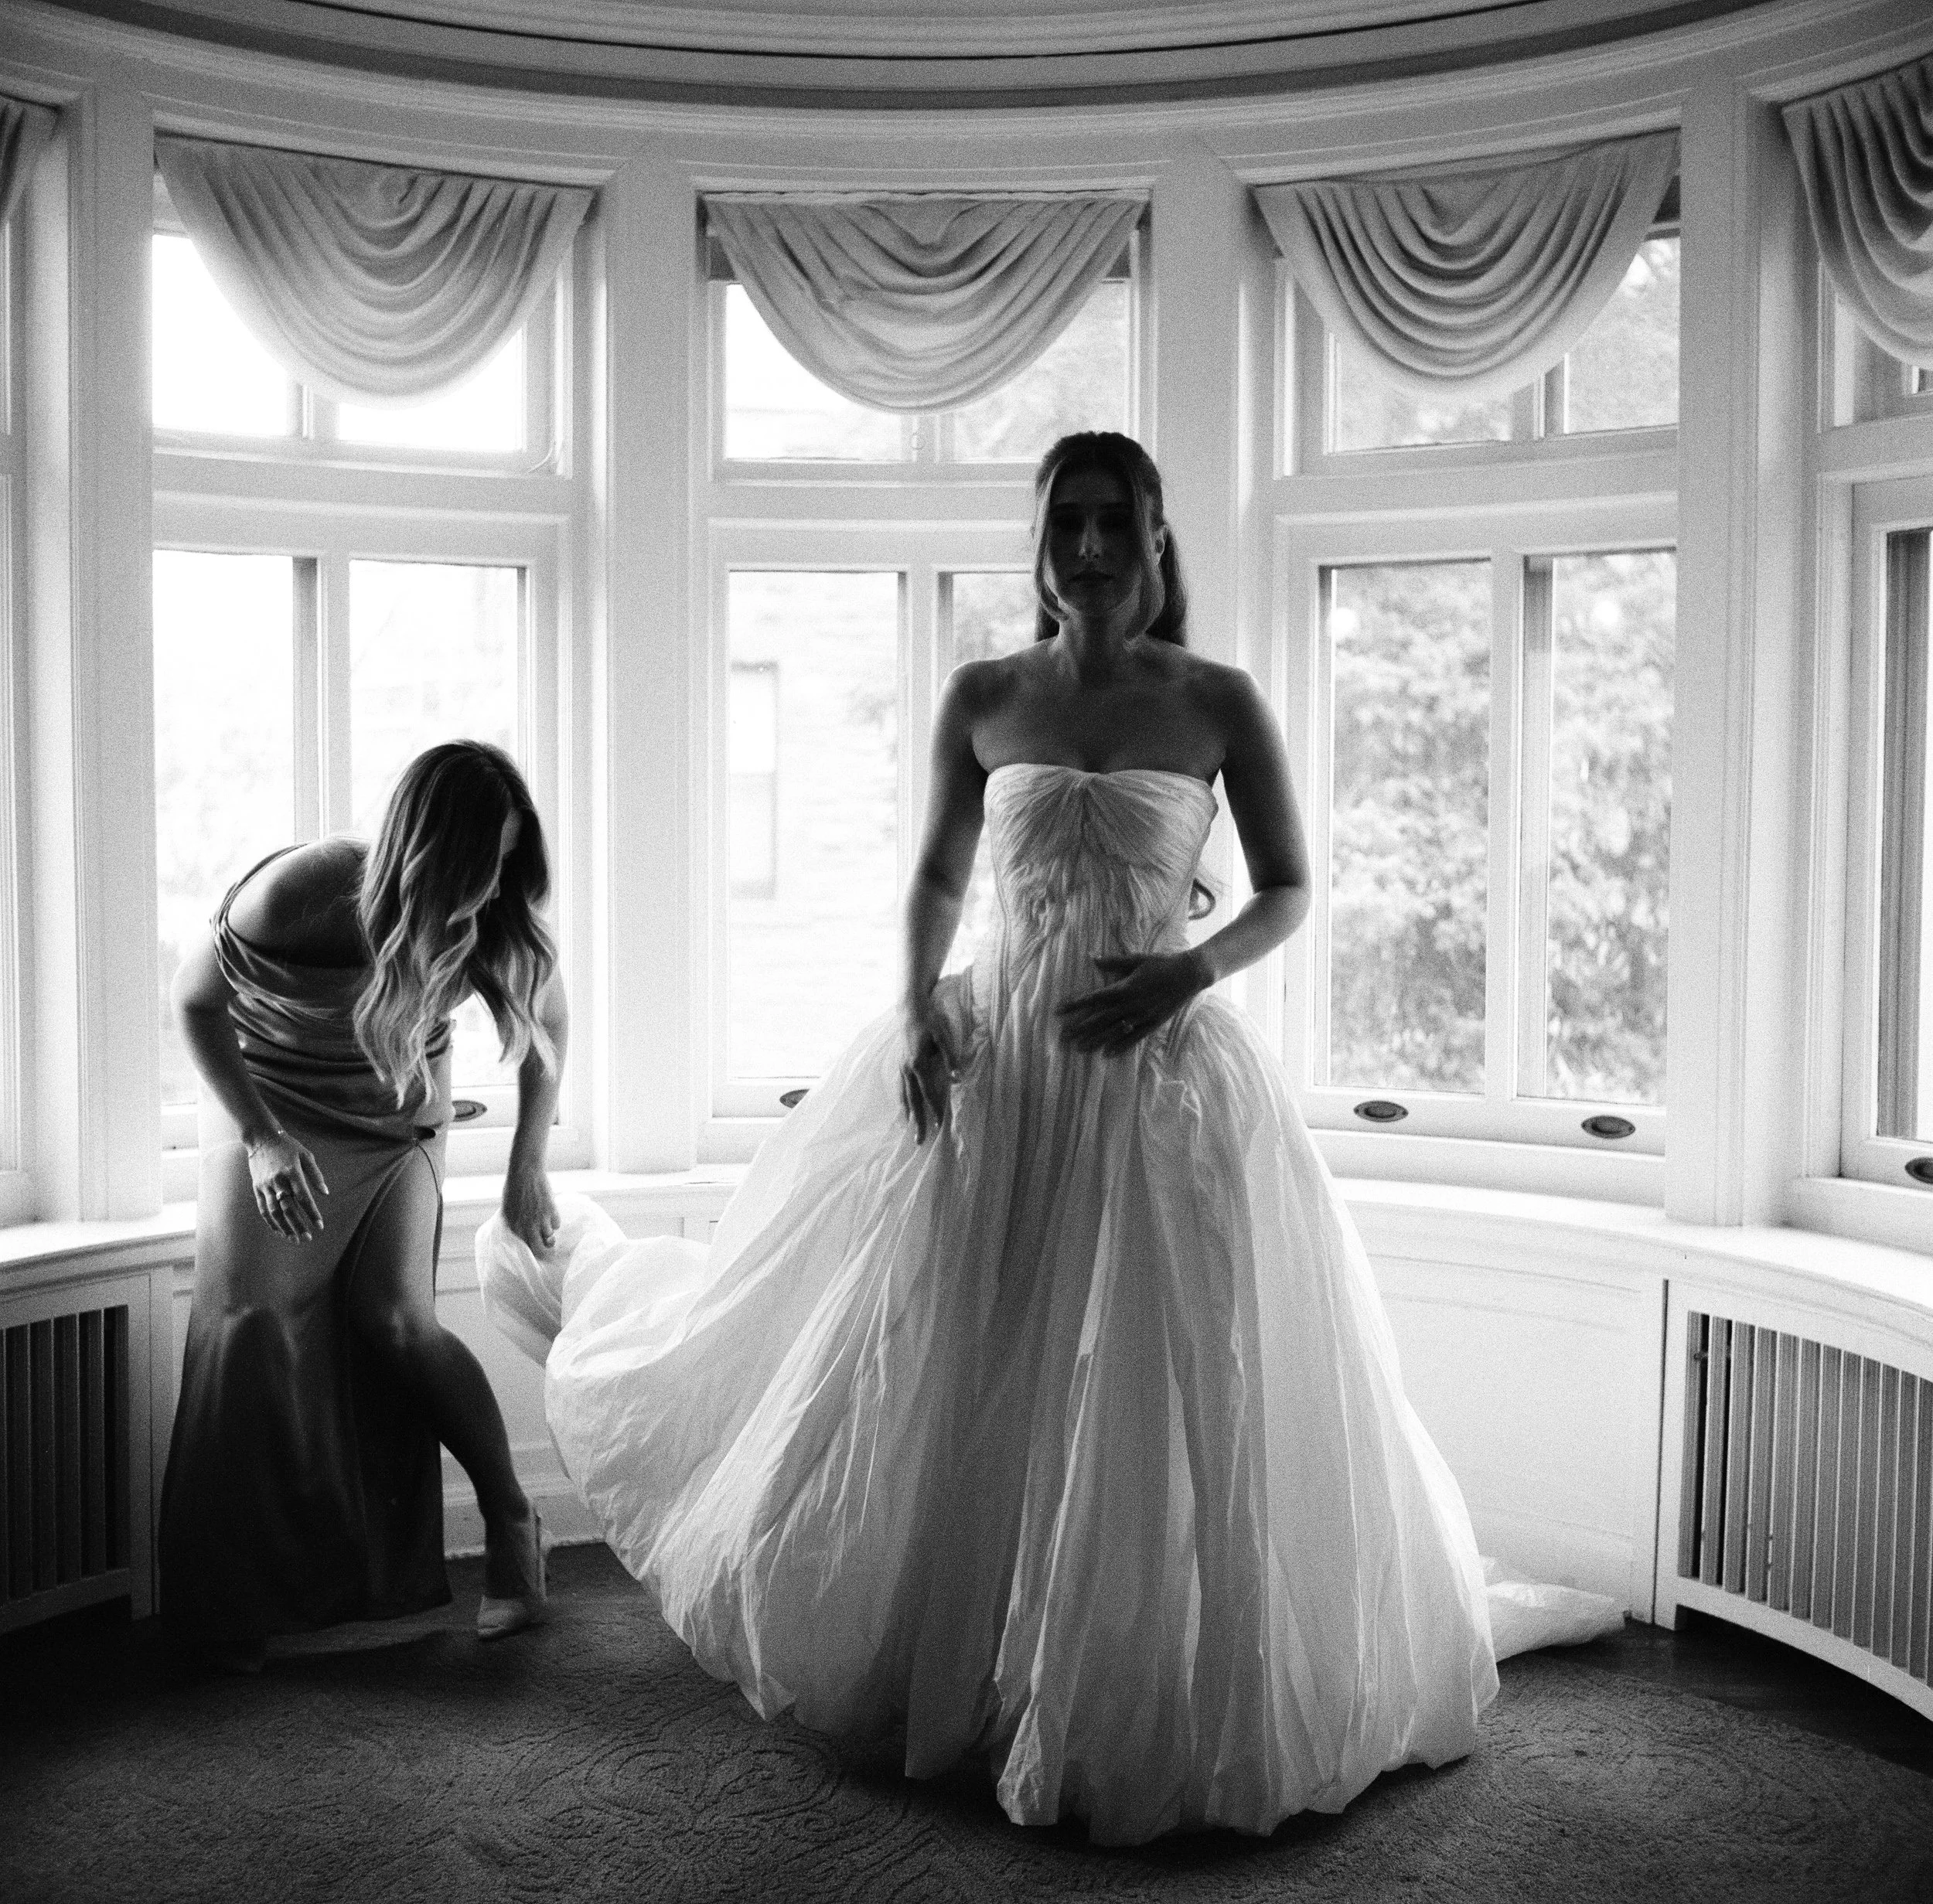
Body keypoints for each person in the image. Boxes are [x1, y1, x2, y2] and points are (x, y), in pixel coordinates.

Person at [479, 434, 1615, 1842]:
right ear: (1042, 545)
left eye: (1113, 523)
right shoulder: (985, 695)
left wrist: (1190, 972)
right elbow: (942, 877)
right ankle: (977, 1665)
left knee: (1152, 1371)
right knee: (965, 1362)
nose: (1087, 546)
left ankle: (1137, 1680)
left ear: (1157, 538)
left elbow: (1290, 886)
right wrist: (913, 1012)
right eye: (1065, 523)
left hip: (1155, 1066)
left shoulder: (1217, 701)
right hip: (1004, 1064)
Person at [162, 739, 566, 1669]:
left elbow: (549, 1028)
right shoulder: (301, 892)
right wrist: (262, 1139)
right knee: (250, 1327)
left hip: (396, 1127)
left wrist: (525, 1168)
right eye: (477, 862)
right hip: (267, 1109)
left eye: (506, 861)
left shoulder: (490, 916)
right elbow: (193, 1002)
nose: (491, 886)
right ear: (422, 848)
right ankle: (237, 1601)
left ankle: (512, 1520)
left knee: (393, 1320)